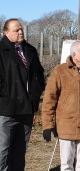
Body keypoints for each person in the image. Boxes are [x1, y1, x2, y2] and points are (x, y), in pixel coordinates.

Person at [41, 40, 80, 170]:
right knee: (66, 166)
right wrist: (47, 125)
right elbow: (49, 100)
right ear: (74, 54)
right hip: (66, 126)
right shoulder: (59, 71)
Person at [0, 18, 45, 170]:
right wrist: (8, 96)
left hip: (27, 110)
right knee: (3, 151)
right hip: (6, 110)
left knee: (20, 151)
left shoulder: (30, 50)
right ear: (5, 32)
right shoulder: (1, 50)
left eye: (21, 29)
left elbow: (39, 74)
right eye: (16, 30)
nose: (20, 32)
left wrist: (36, 92)